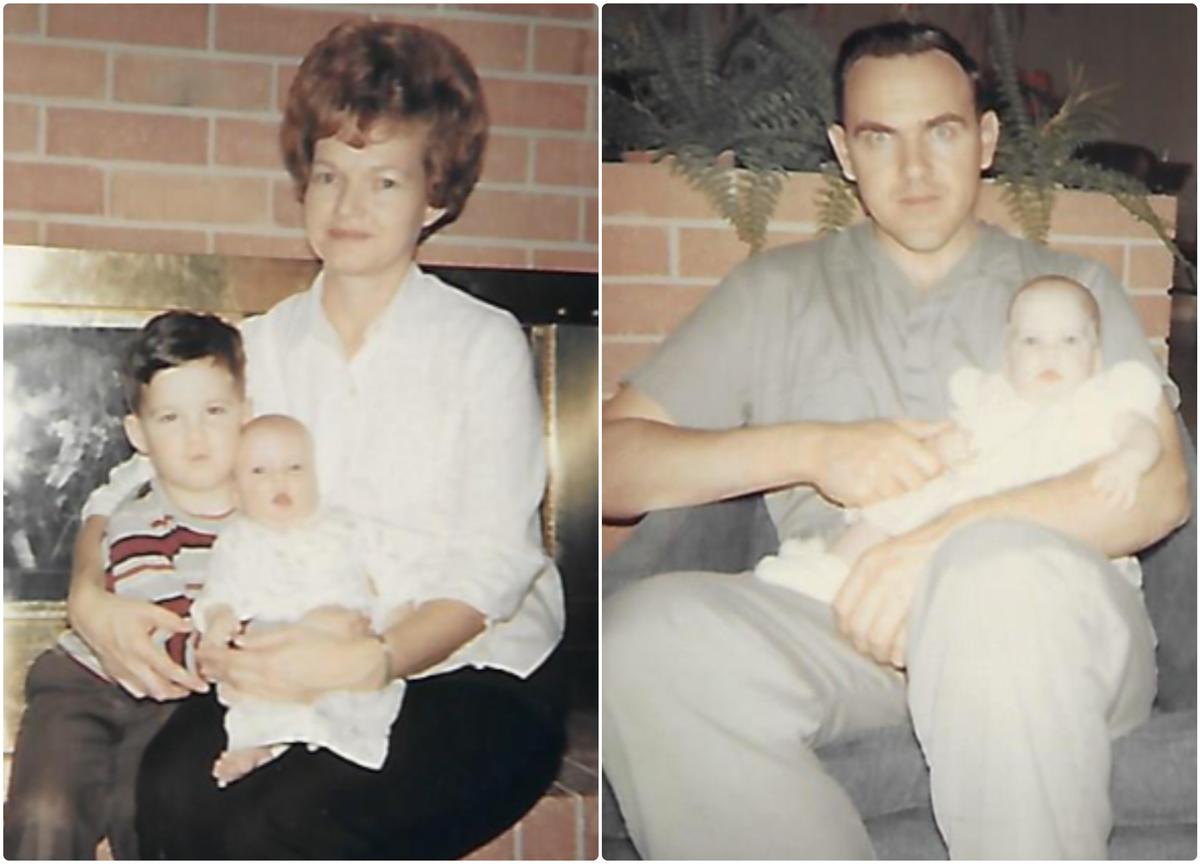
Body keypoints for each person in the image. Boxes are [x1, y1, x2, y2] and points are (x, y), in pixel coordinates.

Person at [603, 20, 1189, 860]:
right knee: (644, 642)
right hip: (847, 621)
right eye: (881, 139)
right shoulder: (775, 292)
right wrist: (812, 449)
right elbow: (616, 462)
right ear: (845, 152)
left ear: (986, 138)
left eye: (940, 132)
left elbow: (1163, 488)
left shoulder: (1069, 293)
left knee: (995, 582)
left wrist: (940, 544)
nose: (914, 171)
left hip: (1053, 623)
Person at [66, 19, 566, 859]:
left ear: (435, 197)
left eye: (384, 181)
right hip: (286, 667)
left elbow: (494, 569)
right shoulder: (257, 348)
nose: (348, 206)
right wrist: (91, 596)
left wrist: (375, 659)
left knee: (287, 822)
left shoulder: (481, 345)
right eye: (330, 175)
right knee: (169, 796)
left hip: (475, 674)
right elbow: (131, 481)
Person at [755, 275, 1164, 603]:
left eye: (1070, 341)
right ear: (1007, 355)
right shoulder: (994, 401)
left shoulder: (1101, 401)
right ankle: (834, 570)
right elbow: (952, 438)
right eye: (1031, 341)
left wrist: (1131, 459)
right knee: (896, 507)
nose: (1049, 354)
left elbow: (1144, 434)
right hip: (965, 504)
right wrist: (944, 450)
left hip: (1054, 532)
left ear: (1096, 355)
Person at [4, 311, 248, 859]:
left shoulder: (265, 527)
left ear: (245, 416)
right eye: (170, 418)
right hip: (87, 682)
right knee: (43, 814)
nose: (196, 435)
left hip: (178, 700)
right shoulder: (133, 518)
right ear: (138, 434)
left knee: (153, 813)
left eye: (214, 411)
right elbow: (156, 616)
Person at [193, 414, 414, 787]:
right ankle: (260, 744)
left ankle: (330, 739)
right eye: (259, 472)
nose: (279, 481)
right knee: (251, 697)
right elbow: (218, 593)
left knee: (357, 699)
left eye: (295, 468)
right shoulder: (237, 540)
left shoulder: (344, 527)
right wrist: (218, 618)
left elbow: (391, 577)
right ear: (235, 490)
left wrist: (393, 614)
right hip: (272, 650)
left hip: (339, 647)